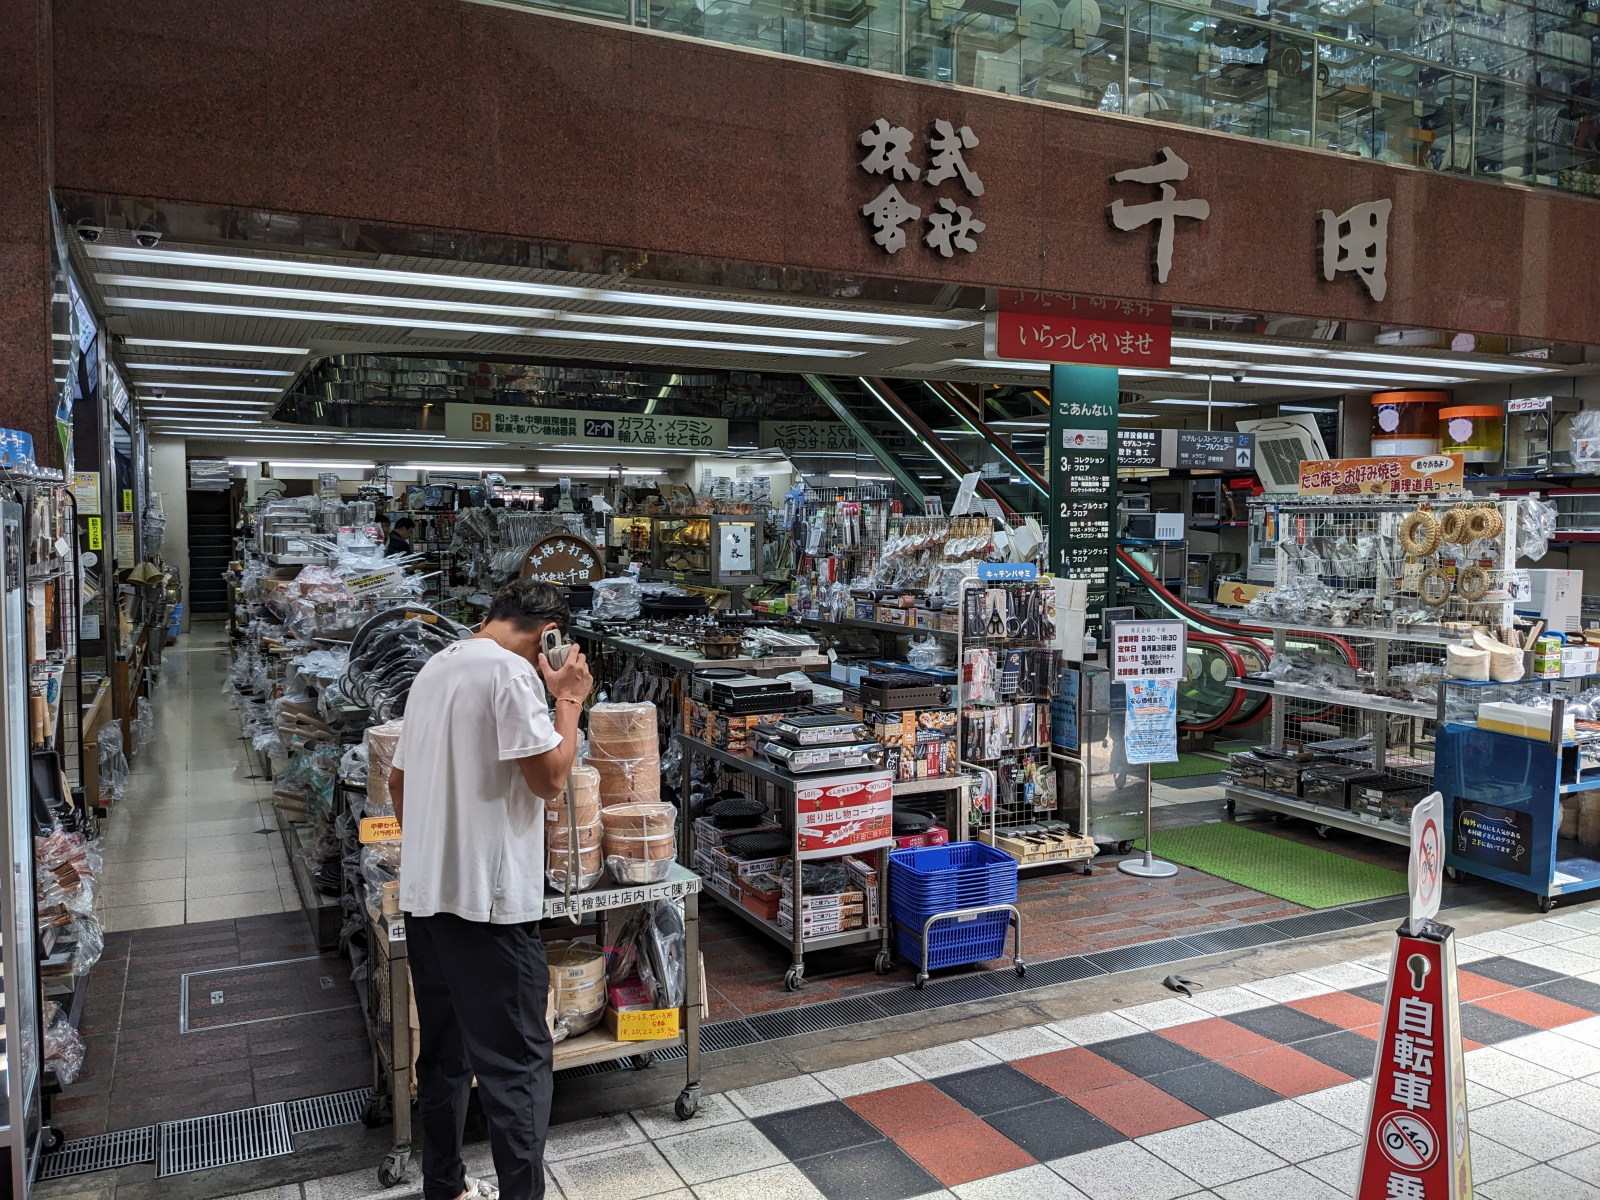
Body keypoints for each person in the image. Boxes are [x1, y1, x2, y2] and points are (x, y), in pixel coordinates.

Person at [389, 580, 592, 1200]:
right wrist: (570, 699)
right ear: (547, 636)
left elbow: (398, 784)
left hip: (427, 900)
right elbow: (550, 780)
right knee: (519, 1071)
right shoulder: (511, 675)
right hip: (491, 908)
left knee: (444, 1057)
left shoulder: (437, 664)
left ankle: (443, 1185)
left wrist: (441, 841)